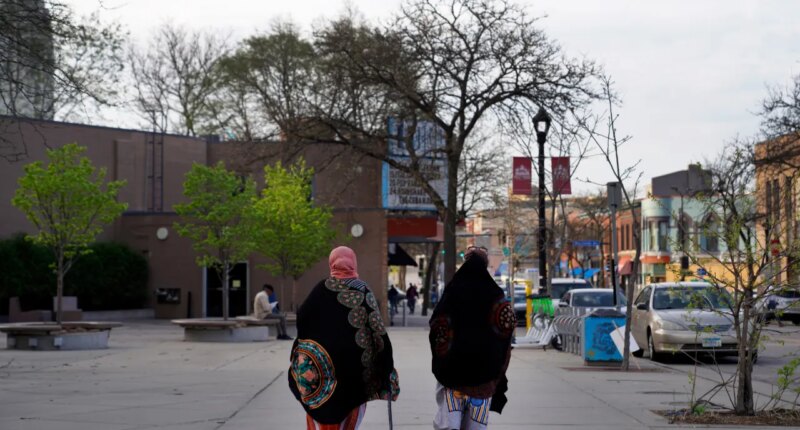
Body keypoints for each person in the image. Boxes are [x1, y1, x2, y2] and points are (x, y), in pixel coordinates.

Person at [289, 246, 399, 430]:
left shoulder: (319, 289)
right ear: (353, 263)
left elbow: (303, 321)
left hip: (319, 374)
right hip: (353, 373)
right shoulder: (361, 289)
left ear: (332, 264)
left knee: (320, 418)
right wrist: (385, 365)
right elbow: (378, 331)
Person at [429, 245, 514, 430]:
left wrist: (445, 357)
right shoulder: (495, 295)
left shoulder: (452, 292)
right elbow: (507, 330)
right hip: (484, 381)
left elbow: (437, 326)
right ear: (485, 265)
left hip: (453, 378)